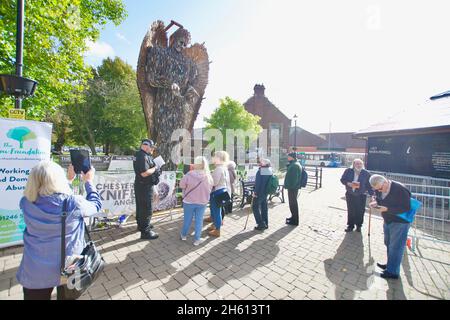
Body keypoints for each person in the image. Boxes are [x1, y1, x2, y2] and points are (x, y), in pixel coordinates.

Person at [16, 161, 102, 300]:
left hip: (35, 270)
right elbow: (95, 205)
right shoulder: (73, 203)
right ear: (59, 179)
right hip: (69, 266)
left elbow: (49, 196)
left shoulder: (26, 202)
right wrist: (89, 182)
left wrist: (69, 179)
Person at [369, 175, 412, 280]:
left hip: (400, 222)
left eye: (380, 188)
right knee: (388, 243)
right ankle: (390, 265)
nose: (379, 191)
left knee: (396, 247)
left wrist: (387, 209)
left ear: (385, 182)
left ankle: (393, 272)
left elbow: (406, 207)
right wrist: (375, 203)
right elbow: (379, 199)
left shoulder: (400, 188)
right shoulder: (380, 188)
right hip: (388, 220)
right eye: (376, 189)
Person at [179, 157, 214, 246]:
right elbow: (211, 188)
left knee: (187, 219)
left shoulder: (189, 174)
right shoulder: (208, 176)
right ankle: (197, 239)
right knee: (199, 220)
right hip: (202, 202)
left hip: (189, 201)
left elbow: (181, 185)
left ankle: (183, 235)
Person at [133, 139, 160, 240]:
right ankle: (145, 232)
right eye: (151, 147)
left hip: (141, 185)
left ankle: (142, 225)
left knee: (141, 207)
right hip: (144, 186)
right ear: (146, 146)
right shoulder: (142, 156)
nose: (152, 149)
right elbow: (144, 173)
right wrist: (155, 168)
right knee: (146, 209)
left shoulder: (141, 154)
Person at [340, 159, 373, 233]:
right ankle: (350, 226)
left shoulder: (366, 173)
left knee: (360, 211)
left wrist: (372, 195)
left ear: (362, 165)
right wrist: (348, 183)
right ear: (353, 164)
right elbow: (342, 180)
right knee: (351, 210)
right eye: (357, 164)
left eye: (360, 164)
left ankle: (359, 226)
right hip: (350, 193)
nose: (359, 165)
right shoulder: (348, 171)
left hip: (361, 195)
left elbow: (369, 185)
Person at [208, 151, 232, 237]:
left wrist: (209, 178)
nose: (213, 158)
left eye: (215, 156)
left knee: (216, 211)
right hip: (221, 191)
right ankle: (216, 225)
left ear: (219, 159)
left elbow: (214, 183)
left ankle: (217, 230)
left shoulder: (218, 169)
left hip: (217, 192)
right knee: (218, 210)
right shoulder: (223, 168)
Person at [252, 159, 273, 231]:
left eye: (262, 162)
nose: (260, 162)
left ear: (265, 164)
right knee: (264, 207)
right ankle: (265, 223)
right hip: (265, 192)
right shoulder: (269, 170)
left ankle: (261, 224)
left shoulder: (260, 171)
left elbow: (258, 184)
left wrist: (255, 192)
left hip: (259, 192)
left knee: (254, 207)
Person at [284, 152, 302, 226]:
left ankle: (295, 221)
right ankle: (293, 217)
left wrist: (290, 186)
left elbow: (294, 179)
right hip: (293, 187)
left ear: (292, 157)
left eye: (288, 156)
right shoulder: (294, 164)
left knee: (293, 204)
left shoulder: (294, 165)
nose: (287, 158)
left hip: (292, 188)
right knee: (292, 203)